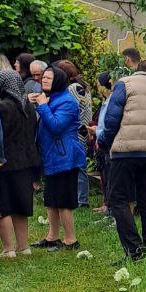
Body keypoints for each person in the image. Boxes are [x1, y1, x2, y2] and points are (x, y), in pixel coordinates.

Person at [97, 58, 146, 261]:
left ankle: (134, 250)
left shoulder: (125, 83)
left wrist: (105, 141)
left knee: (118, 200)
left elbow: (112, 119)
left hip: (126, 150)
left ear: (137, 70)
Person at [30, 63, 85, 250]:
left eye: (48, 78)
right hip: (51, 157)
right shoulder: (49, 98)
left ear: (58, 81)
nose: (44, 80)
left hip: (65, 157)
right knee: (51, 199)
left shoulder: (67, 102)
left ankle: (70, 240)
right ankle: (52, 237)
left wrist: (43, 106)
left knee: (63, 200)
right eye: (43, 77)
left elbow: (56, 126)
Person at [0, 67, 39, 258]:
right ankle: (24, 246)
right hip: (27, 160)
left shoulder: (2, 107)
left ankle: (9, 248)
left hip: (6, 162)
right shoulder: (28, 105)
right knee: (22, 204)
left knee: (4, 205)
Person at [56, 60, 92, 208]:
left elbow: (70, 110)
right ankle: (79, 198)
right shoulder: (82, 86)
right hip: (83, 130)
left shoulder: (73, 88)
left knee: (77, 165)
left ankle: (81, 199)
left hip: (76, 131)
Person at [91, 72, 114, 215]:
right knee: (104, 176)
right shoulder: (104, 101)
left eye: (98, 84)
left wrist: (96, 130)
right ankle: (106, 204)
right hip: (100, 141)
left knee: (109, 176)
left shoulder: (111, 101)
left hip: (106, 142)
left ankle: (109, 208)